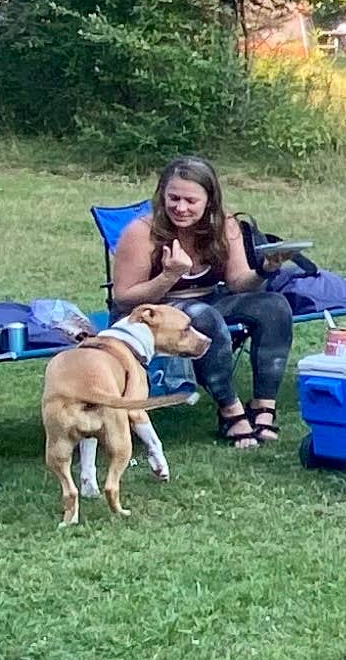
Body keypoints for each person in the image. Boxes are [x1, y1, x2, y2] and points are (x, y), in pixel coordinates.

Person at [107, 154, 297, 448]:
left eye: (190, 201)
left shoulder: (225, 226)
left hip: (210, 299)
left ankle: (263, 407)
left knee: (274, 306)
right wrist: (168, 276)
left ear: (209, 200)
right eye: (173, 198)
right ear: (162, 196)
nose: (180, 208)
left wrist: (265, 269)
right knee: (204, 316)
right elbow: (123, 298)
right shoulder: (141, 232)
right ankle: (231, 411)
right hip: (154, 312)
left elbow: (238, 283)